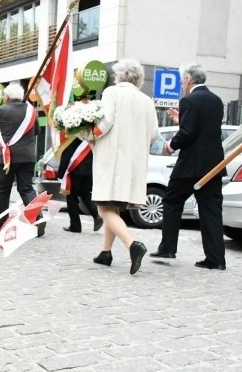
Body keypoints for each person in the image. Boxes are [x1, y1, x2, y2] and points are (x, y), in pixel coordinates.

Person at [150, 63, 227, 270]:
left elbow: (188, 133)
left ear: (188, 80)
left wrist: (170, 144)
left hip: (191, 165)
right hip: (213, 164)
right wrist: (182, 119)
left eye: (182, 80)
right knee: (211, 210)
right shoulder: (216, 100)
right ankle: (216, 259)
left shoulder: (189, 100)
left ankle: (168, 247)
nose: (182, 84)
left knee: (171, 200)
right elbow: (204, 128)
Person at [86, 59, 159, 275]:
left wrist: (86, 134)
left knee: (103, 207)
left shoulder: (112, 93)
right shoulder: (147, 100)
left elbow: (105, 123)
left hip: (112, 157)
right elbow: (154, 133)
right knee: (113, 206)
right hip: (134, 161)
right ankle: (105, 252)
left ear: (119, 75)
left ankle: (133, 244)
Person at [0, 83, 44, 236]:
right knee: (26, 188)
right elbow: (38, 131)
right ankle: (38, 217)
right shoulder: (31, 110)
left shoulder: (2, 109)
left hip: (8, 157)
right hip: (27, 156)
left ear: (7, 97)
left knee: (3, 190)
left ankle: (1, 221)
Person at [57, 137, 103, 233]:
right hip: (90, 170)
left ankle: (75, 226)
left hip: (76, 171)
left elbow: (67, 154)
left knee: (71, 198)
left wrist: (60, 173)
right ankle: (96, 215)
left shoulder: (72, 135)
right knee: (86, 195)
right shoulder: (91, 136)